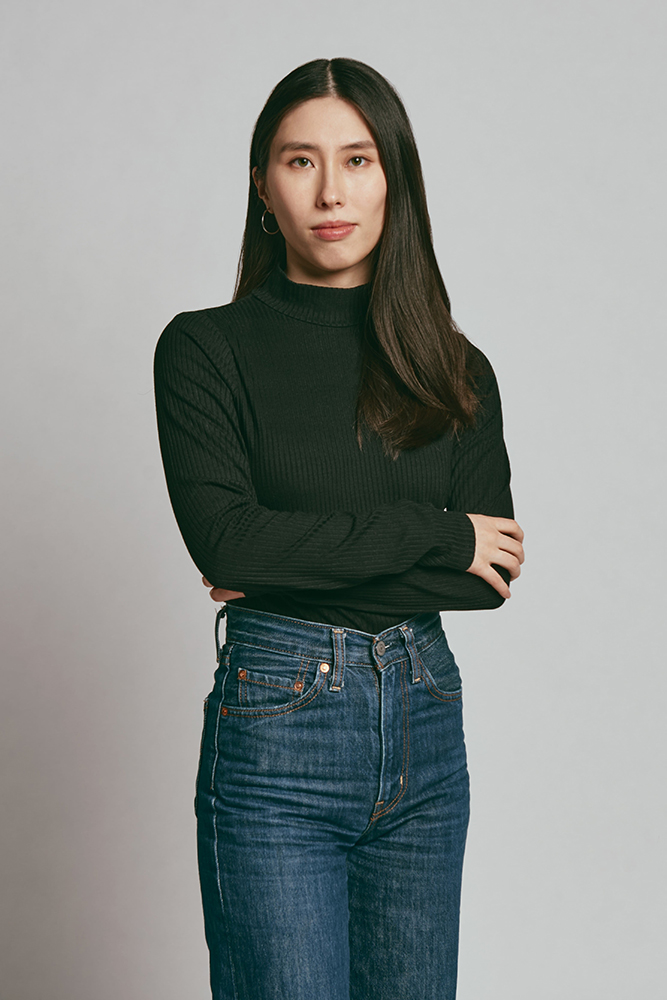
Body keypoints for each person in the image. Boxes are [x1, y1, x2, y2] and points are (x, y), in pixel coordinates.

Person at [154, 57, 524, 1000]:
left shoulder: (455, 367)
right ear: (261, 186)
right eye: (299, 161)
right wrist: (439, 534)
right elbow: (228, 545)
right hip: (280, 733)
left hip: (426, 728)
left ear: (393, 179)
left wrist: (291, 557)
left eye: (357, 160)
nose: (330, 191)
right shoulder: (206, 350)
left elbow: (489, 575)